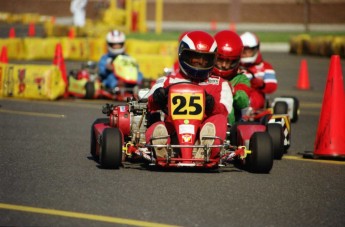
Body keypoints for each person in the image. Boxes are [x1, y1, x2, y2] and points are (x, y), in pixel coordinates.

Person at [145, 30, 233, 159]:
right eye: (195, 57)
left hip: (202, 131)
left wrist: (211, 104)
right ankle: (161, 148)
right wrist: (158, 97)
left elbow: (225, 111)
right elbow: (147, 104)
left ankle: (205, 149)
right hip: (173, 130)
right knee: (158, 126)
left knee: (219, 119)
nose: (200, 62)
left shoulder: (220, 84)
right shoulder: (168, 80)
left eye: (205, 59)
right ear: (183, 55)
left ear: (212, 60)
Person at [213, 30, 251, 125]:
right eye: (220, 60)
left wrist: (232, 90)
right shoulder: (204, 75)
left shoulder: (240, 78)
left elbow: (243, 102)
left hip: (229, 127)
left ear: (237, 61)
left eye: (229, 61)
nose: (224, 65)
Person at [240, 31, 278, 109]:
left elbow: (272, 86)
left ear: (255, 50)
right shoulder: (235, 67)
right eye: (243, 50)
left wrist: (261, 84)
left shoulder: (265, 66)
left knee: (255, 96)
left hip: (257, 97)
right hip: (238, 94)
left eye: (249, 50)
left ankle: (248, 107)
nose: (246, 53)